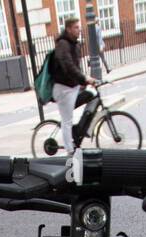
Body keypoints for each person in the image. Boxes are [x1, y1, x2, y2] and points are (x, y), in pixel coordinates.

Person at [50, 17, 98, 154]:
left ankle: (79, 130)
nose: (79, 30)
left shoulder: (75, 44)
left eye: (79, 27)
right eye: (76, 27)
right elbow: (68, 66)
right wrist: (84, 79)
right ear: (69, 29)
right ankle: (70, 151)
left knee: (92, 95)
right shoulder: (63, 44)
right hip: (62, 88)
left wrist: (83, 83)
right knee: (67, 121)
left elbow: (75, 67)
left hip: (72, 86)